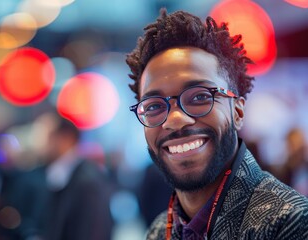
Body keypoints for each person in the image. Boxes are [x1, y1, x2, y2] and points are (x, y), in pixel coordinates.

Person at [125, 8, 308, 239]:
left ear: (238, 111)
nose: (175, 120)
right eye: (154, 106)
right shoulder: (160, 231)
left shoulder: (291, 223)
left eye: (200, 97)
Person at [40, 112, 114, 240]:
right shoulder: (64, 175)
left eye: (48, 136)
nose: (42, 143)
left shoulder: (87, 181)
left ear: (66, 138)